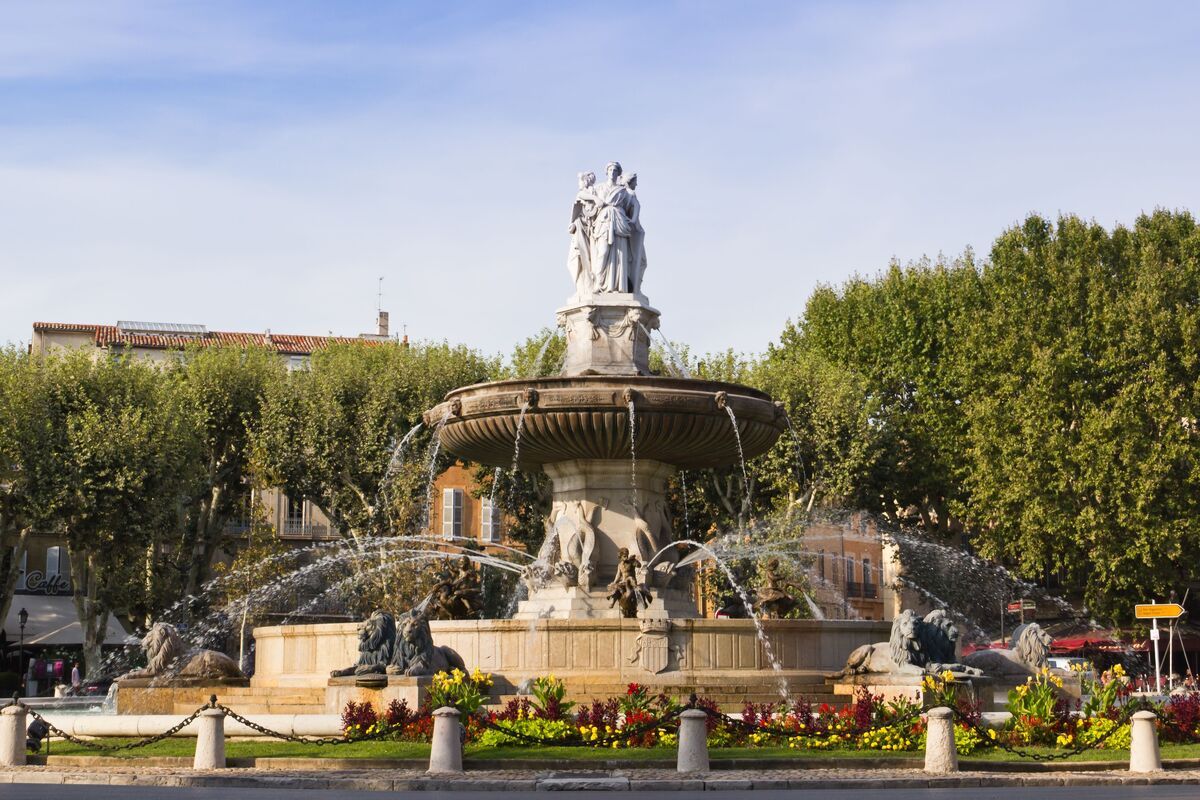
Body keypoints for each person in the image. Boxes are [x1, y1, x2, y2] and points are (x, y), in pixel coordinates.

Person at [589, 162, 637, 293]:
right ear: (606, 172)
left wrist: (633, 219)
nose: (612, 172)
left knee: (619, 254)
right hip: (603, 222)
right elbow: (581, 195)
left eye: (615, 170)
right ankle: (598, 284)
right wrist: (595, 199)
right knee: (602, 252)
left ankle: (617, 286)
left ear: (618, 173)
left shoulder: (623, 191)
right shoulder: (599, 188)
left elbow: (635, 204)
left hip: (619, 221)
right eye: (610, 170)